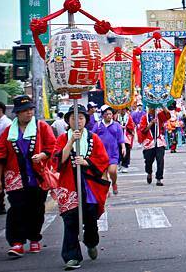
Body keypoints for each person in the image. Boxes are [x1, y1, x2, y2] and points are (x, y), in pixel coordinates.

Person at [0, 95, 55, 257]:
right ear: (17, 113)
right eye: (24, 111)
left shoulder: (42, 127)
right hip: (15, 178)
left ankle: (34, 238)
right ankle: (17, 242)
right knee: (17, 209)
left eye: (30, 110)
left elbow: (53, 146)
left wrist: (43, 155)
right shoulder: (8, 132)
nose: (28, 113)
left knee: (37, 209)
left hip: (37, 177)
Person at [54, 104, 110, 270]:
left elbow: (103, 159)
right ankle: (72, 257)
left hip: (90, 186)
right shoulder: (63, 138)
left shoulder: (93, 138)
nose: (77, 121)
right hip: (69, 185)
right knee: (70, 220)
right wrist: (71, 141)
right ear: (68, 121)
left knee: (91, 219)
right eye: (73, 118)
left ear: (86, 120)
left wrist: (87, 162)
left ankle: (91, 242)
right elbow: (58, 160)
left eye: (80, 117)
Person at [92, 106, 125, 195]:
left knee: (112, 171)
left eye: (110, 114)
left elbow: (120, 138)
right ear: (103, 115)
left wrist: (123, 147)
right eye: (106, 114)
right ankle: (106, 189)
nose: (108, 116)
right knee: (103, 173)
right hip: (101, 153)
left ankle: (114, 183)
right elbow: (92, 136)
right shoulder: (98, 125)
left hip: (113, 153)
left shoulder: (116, 125)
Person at [138, 105, 170, 186]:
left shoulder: (159, 115)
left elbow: (168, 115)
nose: (152, 109)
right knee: (148, 161)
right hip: (149, 143)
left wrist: (162, 104)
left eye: (154, 107)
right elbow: (143, 130)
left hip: (159, 142)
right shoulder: (144, 118)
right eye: (151, 107)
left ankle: (159, 178)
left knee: (160, 160)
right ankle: (149, 173)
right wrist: (151, 123)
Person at [119, 108, 135, 173]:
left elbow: (132, 126)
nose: (122, 111)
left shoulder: (129, 117)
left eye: (124, 109)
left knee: (127, 150)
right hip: (119, 135)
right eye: (121, 109)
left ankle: (125, 165)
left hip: (126, 136)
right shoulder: (116, 117)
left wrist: (125, 127)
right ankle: (120, 162)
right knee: (119, 150)